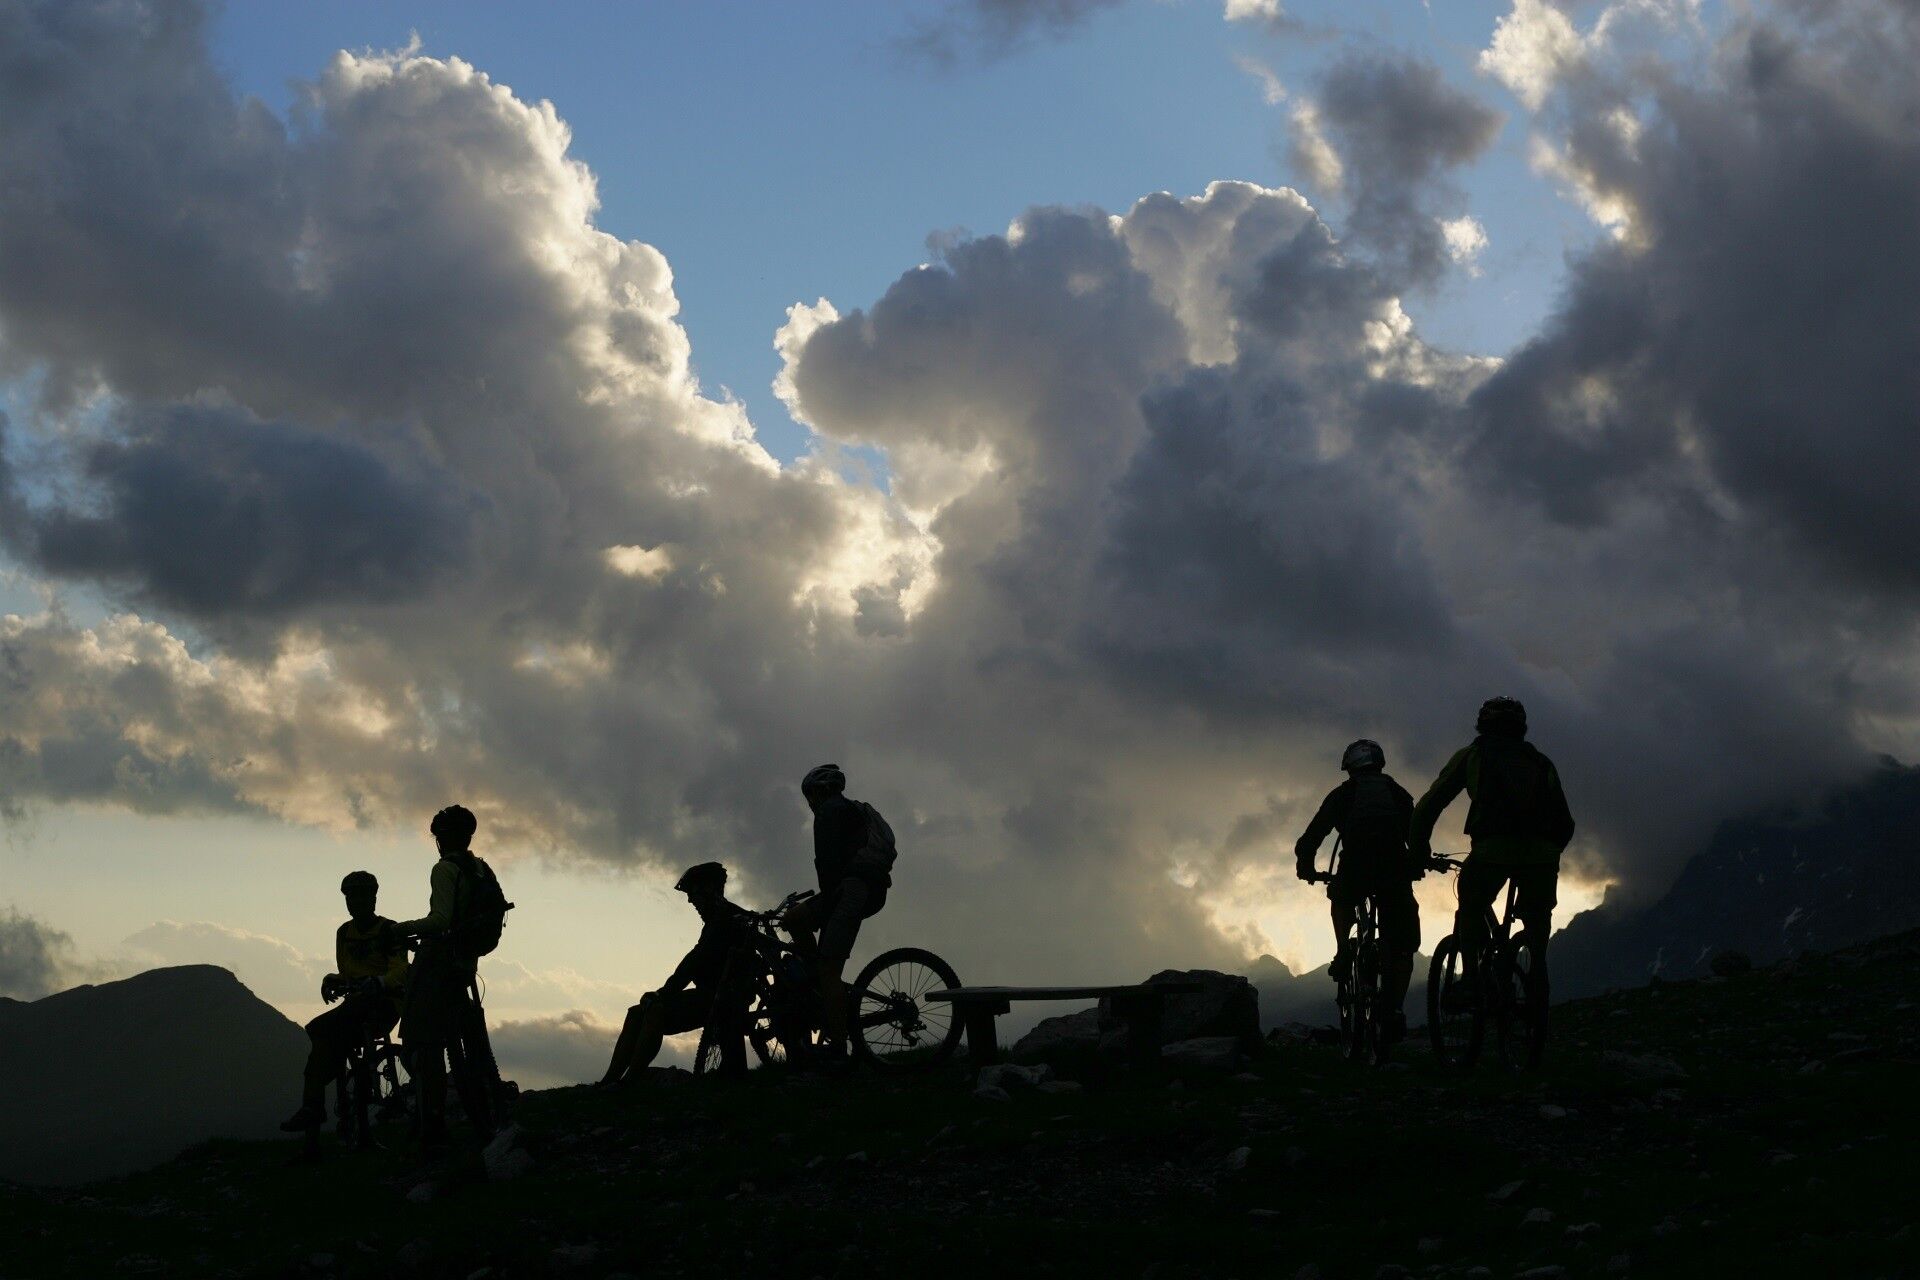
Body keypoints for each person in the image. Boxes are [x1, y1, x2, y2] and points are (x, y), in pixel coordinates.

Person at [1409, 697, 1575, 993]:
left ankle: (1471, 980)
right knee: (1537, 917)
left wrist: (1419, 851)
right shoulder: (1541, 762)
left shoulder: (1472, 756)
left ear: (1482, 725)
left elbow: (1428, 807)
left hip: (1492, 851)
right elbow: (1565, 821)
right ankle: (1537, 975)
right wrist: (1549, 853)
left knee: (1471, 901)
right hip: (1543, 854)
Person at [1294, 739, 1422, 1043]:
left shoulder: (1342, 795)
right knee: (1403, 946)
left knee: (1340, 898)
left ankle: (1343, 952)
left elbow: (1312, 836)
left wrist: (1306, 867)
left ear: (1349, 767)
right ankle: (1396, 1010)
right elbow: (1417, 833)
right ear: (1380, 764)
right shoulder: (1398, 793)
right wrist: (1418, 864)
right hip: (1394, 871)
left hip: (1356, 868)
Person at [394, 804, 507, 1147]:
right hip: (467, 963)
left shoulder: (444, 869)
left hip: (439, 964)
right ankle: (483, 1106)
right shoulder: (481, 868)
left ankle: (432, 1122)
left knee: (420, 1040)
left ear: (441, 838)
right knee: (462, 1035)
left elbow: (440, 920)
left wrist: (400, 929)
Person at [279, 871, 410, 1132]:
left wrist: (380, 982)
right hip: (355, 1005)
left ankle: (318, 1097)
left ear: (373, 899)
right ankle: (315, 1102)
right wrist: (332, 980)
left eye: (361, 896)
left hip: (385, 1005)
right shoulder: (344, 933)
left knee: (324, 1030)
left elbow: (401, 970)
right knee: (320, 1033)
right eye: (350, 898)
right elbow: (349, 973)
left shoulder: (389, 931)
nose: (355, 902)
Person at [599, 862, 750, 1084]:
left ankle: (629, 1081)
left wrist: (663, 993)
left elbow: (694, 962)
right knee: (636, 1013)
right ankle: (610, 1079)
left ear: (709, 889)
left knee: (654, 1011)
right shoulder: (721, 918)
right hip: (711, 995)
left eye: (693, 894)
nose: (690, 901)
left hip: (719, 998)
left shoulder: (724, 920)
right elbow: (694, 960)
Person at [784, 763, 890, 1059]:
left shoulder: (829, 811)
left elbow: (828, 866)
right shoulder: (848, 809)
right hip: (860, 888)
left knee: (829, 970)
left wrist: (824, 906)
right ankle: (817, 983)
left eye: (809, 794)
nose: (809, 802)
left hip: (851, 890)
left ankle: (839, 1048)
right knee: (794, 919)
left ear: (821, 790)